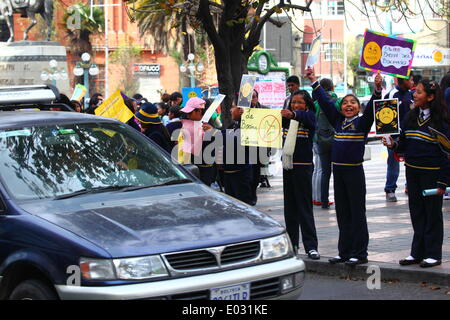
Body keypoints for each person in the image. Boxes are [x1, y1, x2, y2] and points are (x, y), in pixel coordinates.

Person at [306, 66, 383, 266]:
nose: (349, 105)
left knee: (357, 213)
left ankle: (360, 253)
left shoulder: (362, 123)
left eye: (353, 103)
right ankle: (344, 251)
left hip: (355, 172)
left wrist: (377, 89)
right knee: (342, 213)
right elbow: (324, 101)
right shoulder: (337, 121)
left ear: (359, 107)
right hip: (338, 172)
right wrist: (314, 81)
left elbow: (374, 107)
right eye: (346, 103)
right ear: (340, 108)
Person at [382, 79, 450, 268]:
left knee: (432, 214)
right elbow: (403, 145)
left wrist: (443, 183)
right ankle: (417, 253)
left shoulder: (441, 121)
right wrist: (393, 145)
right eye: (415, 91)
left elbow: (447, 155)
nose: (414, 94)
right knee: (417, 213)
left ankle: (433, 254)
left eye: (419, 92)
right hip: (412, 173)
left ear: (430, 97)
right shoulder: (410, 117)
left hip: (432, 174)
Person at [280, 89, 320, 259]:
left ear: (307, 105)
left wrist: (294, 114)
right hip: (287, 167)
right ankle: (293, 245)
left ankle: (311, 246)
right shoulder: (285, 119)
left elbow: (308, 119)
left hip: (303, 168)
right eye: (293, 102)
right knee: (290, 209)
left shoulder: (309, 117)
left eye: (300, 103)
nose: (296, 105)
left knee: (304, 208)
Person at [383, 77, 414, 202]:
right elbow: (384, 115)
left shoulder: (412, 94)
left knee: (411, 161)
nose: (412, 82)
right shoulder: (391, 94)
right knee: (393, 162)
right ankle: (390, 189)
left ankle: (409, 186)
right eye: (410, 80)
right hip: (394, 135)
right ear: (403, 80)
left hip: (409, 135)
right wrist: (388, 137)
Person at [217, 104, 254, 205]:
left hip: (241, 172)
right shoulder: (233, 125)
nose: (230, 110)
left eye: (232, 107)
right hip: (228, 172)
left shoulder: (247, 126)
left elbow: (233, 138)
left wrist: (214, 133)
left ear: (241, 109)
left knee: (243, 204)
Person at [179, 97, 217, 186]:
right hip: (192, 168)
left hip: (205, 171)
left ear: (199, 111)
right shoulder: (189, 125)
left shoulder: (208, 127)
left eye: (190, 113)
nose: (187, 116)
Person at [314, 78, 339, 208]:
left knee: (325, 172)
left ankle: (324, 200)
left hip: (321, 141)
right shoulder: (338, 101)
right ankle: (339, 199)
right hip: (336, 140)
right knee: (338, 172)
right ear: (332, 87)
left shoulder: (317, 103)